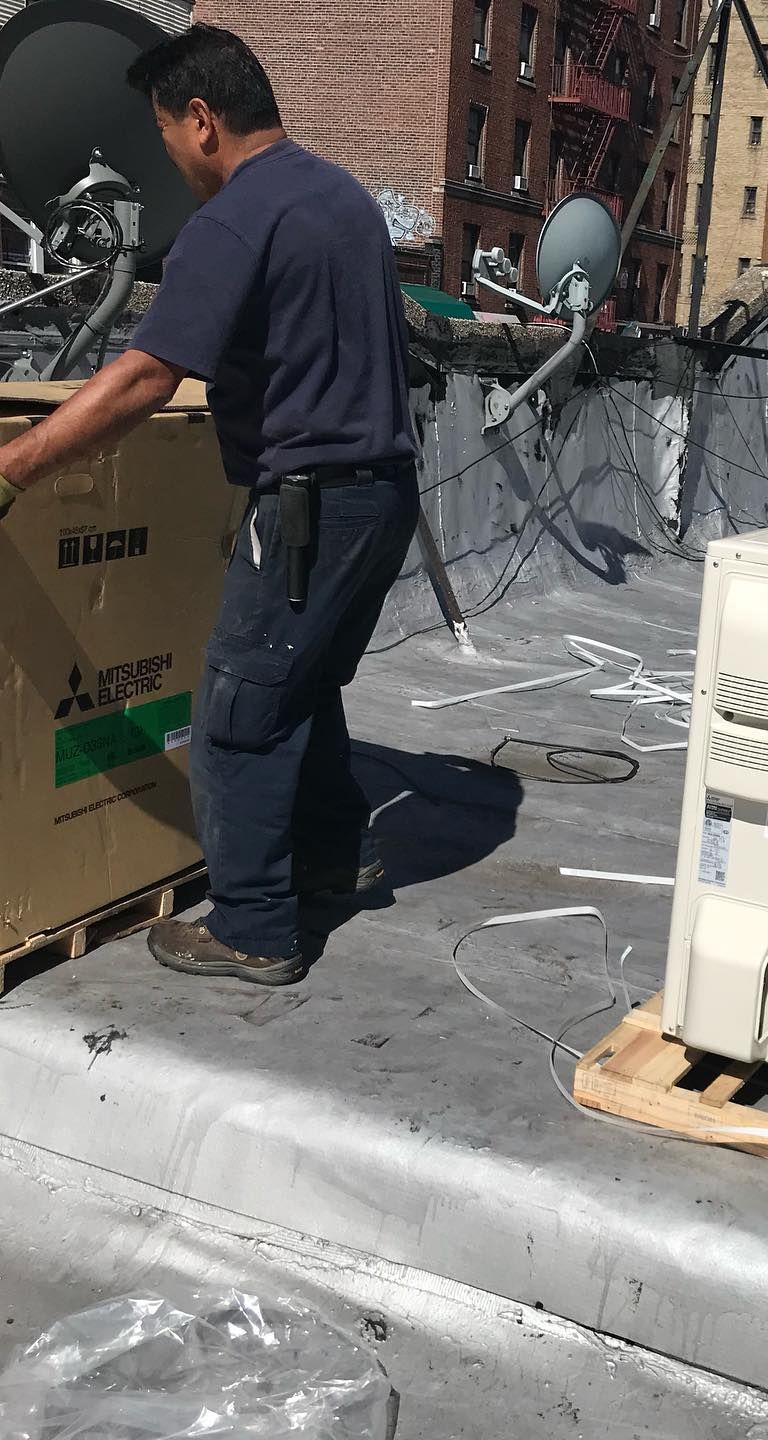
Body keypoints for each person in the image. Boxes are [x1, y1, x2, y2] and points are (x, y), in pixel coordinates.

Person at [0, 26, 420, 985]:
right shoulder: (343, 197)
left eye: (163, 136)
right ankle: (329, 852)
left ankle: (256, 930)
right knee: (301, 686)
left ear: (202, 121)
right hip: (382, 496)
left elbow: (146, 378)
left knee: (238, 711)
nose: (167, 162)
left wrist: (15, 464)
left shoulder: (236, 219)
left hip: (310, 505)